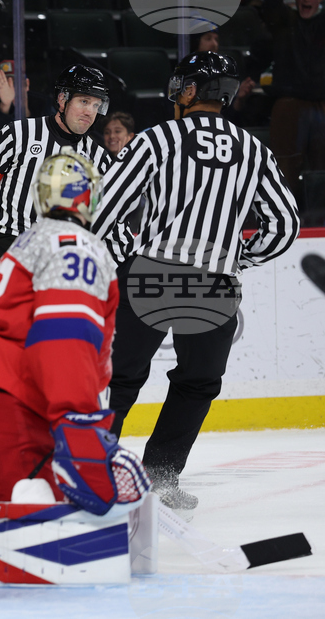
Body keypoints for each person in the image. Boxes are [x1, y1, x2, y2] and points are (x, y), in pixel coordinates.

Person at [91, 52, 300, 514]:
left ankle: (90, 472)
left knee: (120, 381)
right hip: (216, 282)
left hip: (153, 272)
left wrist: (123, 256)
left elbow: (103, 208)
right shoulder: (253, 148)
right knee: (197, 383)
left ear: (188, 91)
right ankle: (161, 479)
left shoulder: (157, 140)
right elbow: (283, 225)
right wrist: (237, 258)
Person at [0, 148, 150, 515]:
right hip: (11, 408)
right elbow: (64, 336)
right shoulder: (78, 246)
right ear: (91, 197)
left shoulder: (32, 239)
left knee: (33, 528)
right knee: (35, 530)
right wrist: (81, 423)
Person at [0, 65, 116, 282]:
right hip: (13, 246)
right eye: (83, 101)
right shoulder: (17, 134)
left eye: (96, 105)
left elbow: (113, 215)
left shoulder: (98, 157)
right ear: (62, 99)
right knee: (19, 317)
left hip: (66, 257)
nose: (90, 111)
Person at [259, 0, 325, 208]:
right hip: (288, 105)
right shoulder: (284, 22)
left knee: (322, 169)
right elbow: (271, 0)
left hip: (322, 105)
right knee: (284, 169)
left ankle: (320, 220)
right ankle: (286, 217)